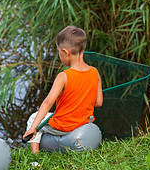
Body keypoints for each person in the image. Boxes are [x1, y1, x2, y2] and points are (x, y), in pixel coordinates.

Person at [22, 26, 103, 154]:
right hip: (84, 123)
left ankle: (35, 154)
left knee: (33, 117)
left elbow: (47, 103)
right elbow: (98, 103)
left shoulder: (64, 76)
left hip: (64, 126)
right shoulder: (95, 72)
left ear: (65, 52)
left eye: (58, 51)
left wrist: (33, 128)